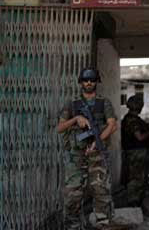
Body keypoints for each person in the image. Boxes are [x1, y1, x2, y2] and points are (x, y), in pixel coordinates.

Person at [57, 68, 117, 230]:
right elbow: (60, 127)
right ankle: (73, 226)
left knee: (101, 191)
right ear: (81, 82)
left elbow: (112, 125)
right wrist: (76, 118)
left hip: (96, 153)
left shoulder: (104, 103)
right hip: (75, 155)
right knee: (72, 194)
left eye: (92, 80)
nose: (89, 83)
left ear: (97, 82)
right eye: (85, 80)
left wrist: (98, 142)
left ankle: (103, 224)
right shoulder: (72, 104)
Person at [121, 94, 149, 214]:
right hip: (136, 153)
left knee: (141, 181)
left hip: (138, 153)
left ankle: (138, 207)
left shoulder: (130, 119)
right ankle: (133, 208)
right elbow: (139, 137)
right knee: (136, 181)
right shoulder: (132, 120)